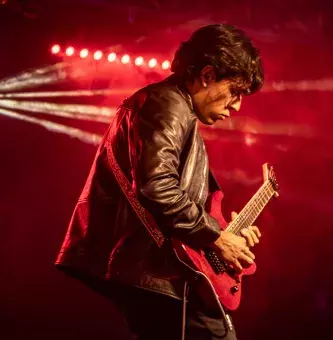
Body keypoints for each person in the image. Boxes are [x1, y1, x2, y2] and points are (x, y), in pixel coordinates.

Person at [55, 23, 264, 340]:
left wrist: (224, 232)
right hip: (152, 269)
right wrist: (216, 238)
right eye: (234, 91)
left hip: (160, 270)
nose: (236, 106)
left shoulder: (175, 108)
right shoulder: (167, 105)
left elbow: (171, 195)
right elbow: (158, 188)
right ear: (207, 75)